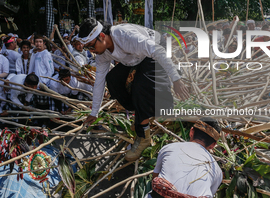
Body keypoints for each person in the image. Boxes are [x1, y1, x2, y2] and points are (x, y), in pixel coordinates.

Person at [78, 18, 189, 161]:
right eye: (88, 48)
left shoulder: (124, 36)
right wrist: (94, 112)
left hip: (154, 51)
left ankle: (143, 137)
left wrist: (176, 79)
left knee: (140, 87)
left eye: (91, 46)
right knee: (112, 79)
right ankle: (140, 114)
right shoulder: (102, 54)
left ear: (102, 37)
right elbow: (99, 81)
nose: (91, 51)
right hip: (134, 59)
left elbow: (158, 50)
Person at [145, 118, 223, 198]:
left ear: (191, 132)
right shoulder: (217, 171)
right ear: (213, 145)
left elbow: (155, 178)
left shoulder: (169, 148)